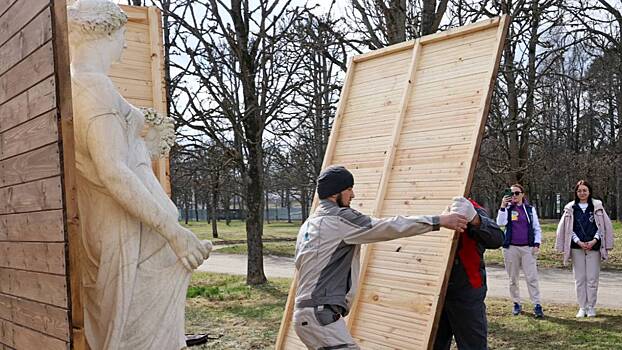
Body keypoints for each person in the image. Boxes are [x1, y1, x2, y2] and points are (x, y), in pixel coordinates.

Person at [68, 1, 211, 349]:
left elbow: (122, 140)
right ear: (106, 32)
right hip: (125, 236)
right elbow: (114, 172)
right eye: (123, 34)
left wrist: (145, 126)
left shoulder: (89, 87)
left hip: (126, 232)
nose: (127, 44)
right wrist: (172, 231)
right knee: (138, 337)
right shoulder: (95, 91)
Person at [292, 165, 469, 350]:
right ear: (334, 193)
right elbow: (387, 226)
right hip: (321, 315)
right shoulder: (339, 218)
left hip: (304, 316)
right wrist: (439, 220)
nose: (353, 195)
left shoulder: (308, 225)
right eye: (349, 189)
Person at [433, 198, 504, 350]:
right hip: (433, 292)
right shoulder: (422, 205)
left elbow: (497, 238)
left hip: (466, 292)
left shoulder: (468, 206)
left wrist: (475, 219)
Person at [555, 180, 614, 318]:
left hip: (594, 248)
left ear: (589, 191)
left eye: (584, 190)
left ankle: (591, 307)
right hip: (577, 248)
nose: (582, 193)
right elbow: (567, 229)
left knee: (592, 278)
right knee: (579, 279)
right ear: (576, 192)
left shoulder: (597, 206)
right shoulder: (570, 208)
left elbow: (603, 227)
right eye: (579, 190)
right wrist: (578, 242)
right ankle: (582, 307)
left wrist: (594, 240)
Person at [496, 184, 544, 318]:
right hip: (511, 248)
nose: (514, 196)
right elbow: (500, 223)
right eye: (512, 194)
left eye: (517, 193)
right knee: (513, 279)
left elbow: (536, 227)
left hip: (527, 248)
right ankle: (516, 303)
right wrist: (503, 206)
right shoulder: (508, 209)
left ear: (523, 194)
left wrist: (536, 243)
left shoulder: (529, 209)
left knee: (532, 277)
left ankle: (537, 304)